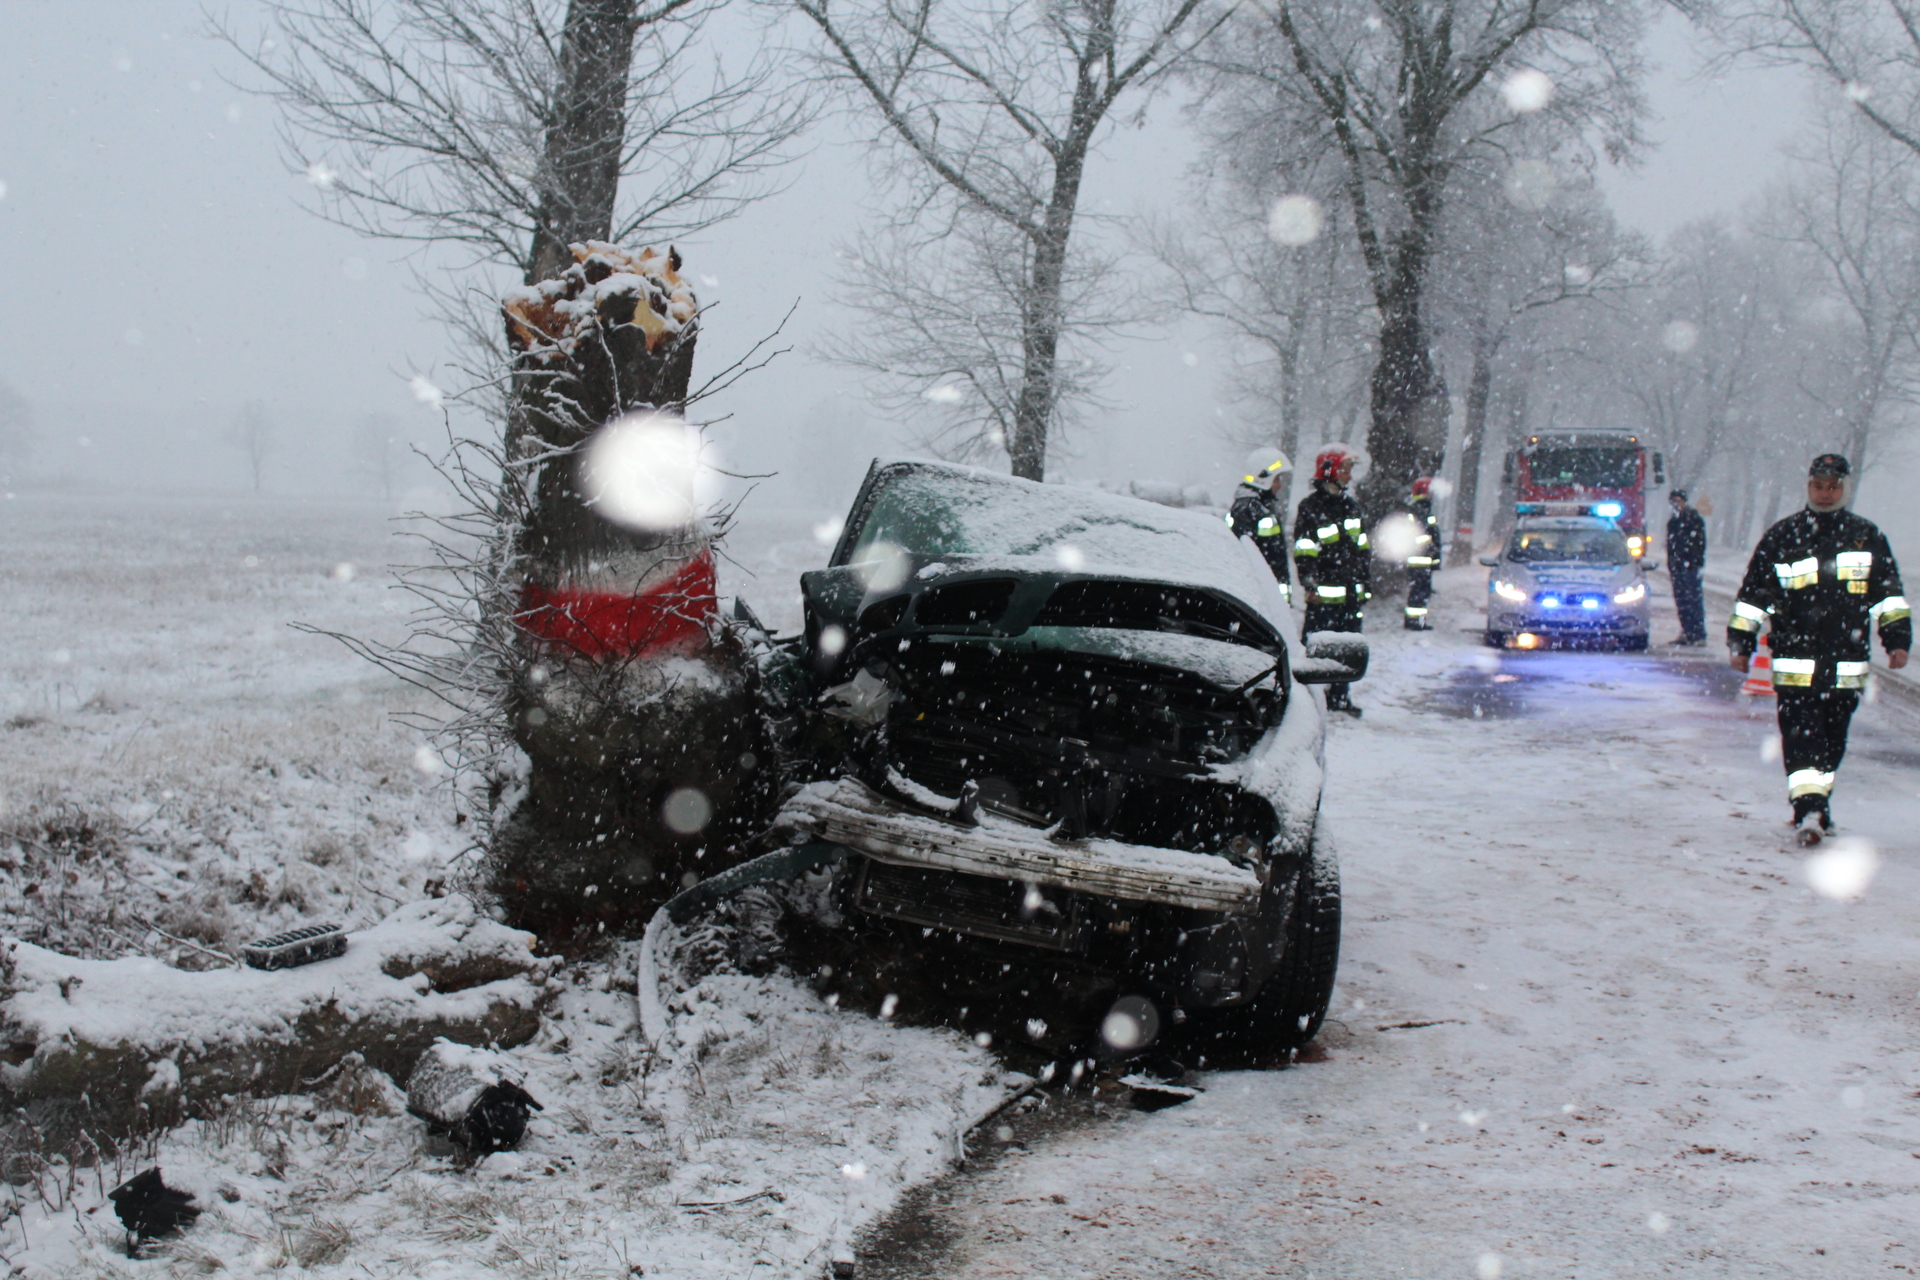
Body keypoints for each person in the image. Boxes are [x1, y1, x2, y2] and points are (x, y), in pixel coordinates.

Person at [1727, 453, 1910, 846]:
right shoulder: (1783, 536)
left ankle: (1817, 806)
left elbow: (1889, 597)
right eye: (1818, 486)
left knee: (1831, 742)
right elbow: (1753, 599)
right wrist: (1740, 643)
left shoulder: (1866, 536)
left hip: (1846, 665)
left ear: (1844, 489)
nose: (1825, 494)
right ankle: (1808, 808)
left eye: (1833, 487)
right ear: (1808, 486)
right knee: (1800, 739)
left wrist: (1897, 641)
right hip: (1795, 663)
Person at [1294, 444, 1371, 716]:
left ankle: (1339, 698)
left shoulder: (1351, 506)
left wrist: (1365, 582)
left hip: (1350, 595)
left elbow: (1362, 547)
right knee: (1313, 649)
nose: (1349, 476)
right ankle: (1303, 700)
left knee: (1348, 649)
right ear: (1329, 471)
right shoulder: (1310, 508)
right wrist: (1310, 582)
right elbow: (1304, 549)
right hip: (1323, 597)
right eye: (1345, 470)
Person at [1228, 449, 1293, 603]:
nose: (1279, 485)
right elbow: (1256, 558)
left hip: (1266, 596)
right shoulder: (1249, 510)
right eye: (1276, 479)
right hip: (1260, 599)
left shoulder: (1259, 507)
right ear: (1263, 478)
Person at [1666, 489, 1707, 645]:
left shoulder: (1693, 519)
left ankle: (1698, 634)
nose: (1676, 504)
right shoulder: (1673, 521)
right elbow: (1671, 545)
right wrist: (1672, 564)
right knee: (1682, 601)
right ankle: (1687, 632)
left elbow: (1700, 544)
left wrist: (1694, 562)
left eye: (1678, 501)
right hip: (1677, 567)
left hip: (1690, 567)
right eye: (1673, 501)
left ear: (1684, 501)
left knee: (1693, 600)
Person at [1403, 476, 1442, 631]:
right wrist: (1430, 547)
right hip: (1419, 560)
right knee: (1419, 592)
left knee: (1421, 591)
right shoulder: (1419, 511)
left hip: (1423, 560)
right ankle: (1414, 622)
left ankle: (1418, 621)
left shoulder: (1421, 510)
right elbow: (1420, 535)